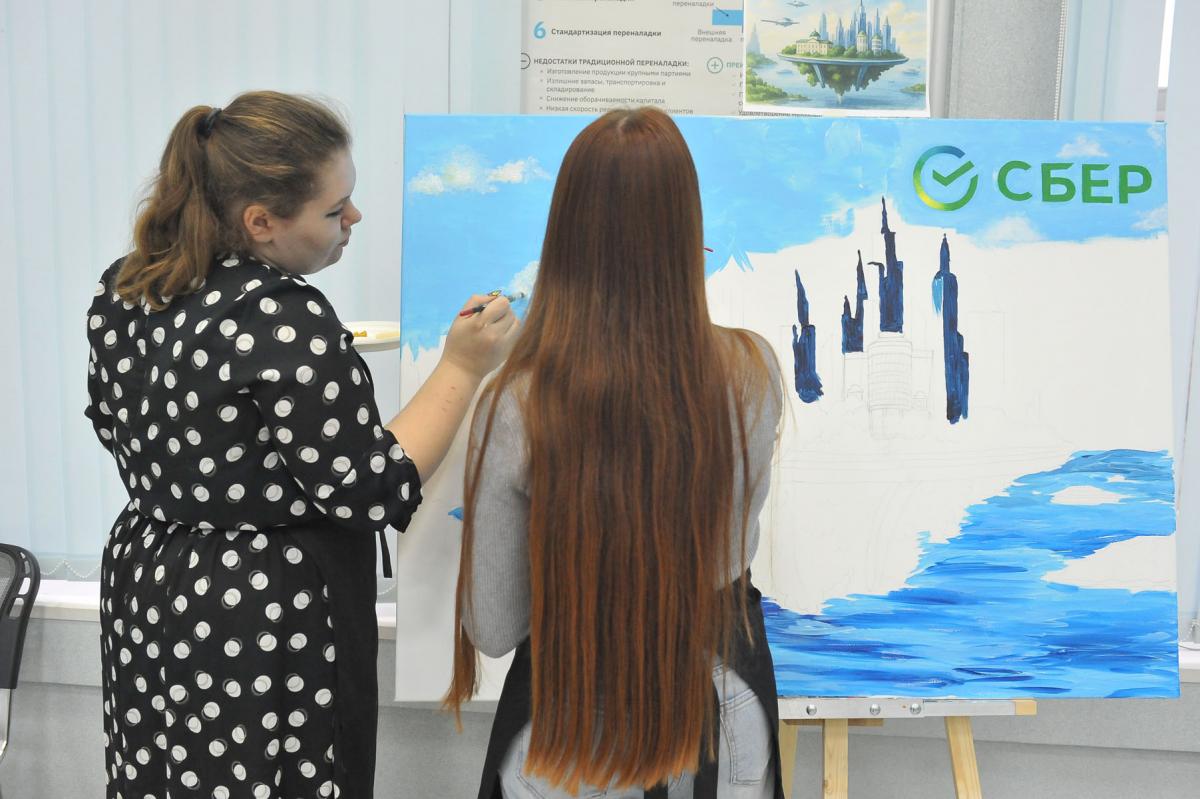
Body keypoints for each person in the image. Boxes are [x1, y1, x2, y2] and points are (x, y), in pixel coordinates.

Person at [85, 90, 519, 798]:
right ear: (260, 222)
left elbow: (114, 424)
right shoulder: (278, 314)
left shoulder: (126, 290)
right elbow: (369, 487)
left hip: (152, 583)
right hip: (261, 608)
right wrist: (463, 367)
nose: (354, 219)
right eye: (334, 209)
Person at [447, 107, 786, 799]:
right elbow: (726, 551)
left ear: (565, 235)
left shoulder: (516, 401)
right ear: (686, 229)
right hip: (724, 715)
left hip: (567, 726)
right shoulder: (753, 372)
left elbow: (495, 625)